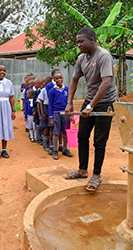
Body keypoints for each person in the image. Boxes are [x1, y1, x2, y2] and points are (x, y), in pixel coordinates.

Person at [64, 27, 117, 192]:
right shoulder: (81, 58)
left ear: (92, 40)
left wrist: (90, 106)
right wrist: (69, 102)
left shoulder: (103, 56)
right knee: (82, 135)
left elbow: (106, 83)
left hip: (105, 102)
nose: (79, 44)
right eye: (77, 42)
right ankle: (82, 170)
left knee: (99, 141)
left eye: (82, 41)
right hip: (90, 99)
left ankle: (96, 174)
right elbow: (74, 80)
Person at [48, 71, 73, 160]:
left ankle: (65, 149)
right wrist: (51, 117)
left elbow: (71, 102)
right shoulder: (52, 91)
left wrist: (72, 114)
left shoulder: (67, 89)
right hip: (56, 113)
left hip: (66, 113)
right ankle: (55, 150)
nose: (59, 80)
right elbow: (50, 105)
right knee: (56, 131)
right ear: (54, 80)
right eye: (57, 78)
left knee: (65, 131)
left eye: (60, 78)